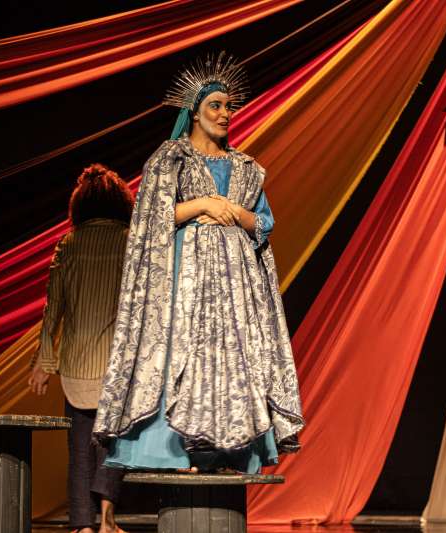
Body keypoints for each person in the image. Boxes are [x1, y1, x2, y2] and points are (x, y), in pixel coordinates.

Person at [92, 52, 304, 474]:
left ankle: (231, 451)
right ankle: (176, 450)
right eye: (215, 106)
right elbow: (151, 215)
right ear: (194, 111)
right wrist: (202, 205)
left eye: (228, 107)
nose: (224, 114)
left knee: (235, 356)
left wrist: (236, 213)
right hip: (185, 280)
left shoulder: (244, 167)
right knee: (183, 352)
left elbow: (264, 222)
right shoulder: (172, 158)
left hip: (235, 285)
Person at [29, 164, 131, 533]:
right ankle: (107, 520)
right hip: (119, 363)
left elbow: (52, 307)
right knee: (113, 444)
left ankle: (82, 525)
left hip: (75, 364)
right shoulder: (130, 240)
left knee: (79, 448)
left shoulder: (69, 244)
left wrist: (45, 361)